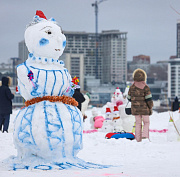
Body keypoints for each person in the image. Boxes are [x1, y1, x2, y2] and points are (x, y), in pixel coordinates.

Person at [127, 68, 153, 142]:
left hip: (135, 109)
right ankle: (145, 136)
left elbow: (129, 98)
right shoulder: (146, 87)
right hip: (145, 109)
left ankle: (138, 139)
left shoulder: (132, 87)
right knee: (146, 122)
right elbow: (149, 99)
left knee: (138, 123)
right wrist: (150, 107)